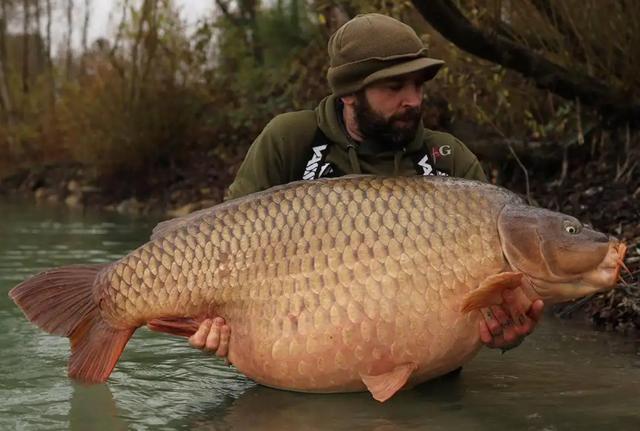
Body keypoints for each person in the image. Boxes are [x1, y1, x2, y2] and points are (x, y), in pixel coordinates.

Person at [188, 14, 544, 362]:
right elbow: (224, 249)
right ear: (348, 93)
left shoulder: (448, 161)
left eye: (418, 85)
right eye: (394, 87)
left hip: (426, 383)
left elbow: (496, 305)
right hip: (295, 375)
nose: (414, 100)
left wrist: (506, 336)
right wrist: (212, 324)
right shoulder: (291, 141)